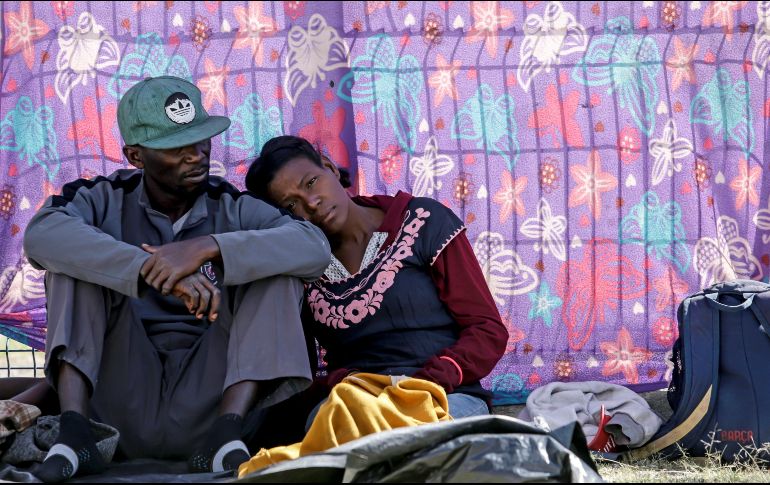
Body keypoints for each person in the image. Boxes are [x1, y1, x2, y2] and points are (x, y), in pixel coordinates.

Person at [22, 78, 331, 482]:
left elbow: (313, 247)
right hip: (121, 402)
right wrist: (146, 270)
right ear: (136, 155)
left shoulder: (233, 206)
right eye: (176, 147)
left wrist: (207, 247)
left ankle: (226, 435)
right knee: (71, 262)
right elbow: (41, 234)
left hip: (213, 404)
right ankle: (77, 432)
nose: (196, 155)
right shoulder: (101, 198)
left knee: (276, 268)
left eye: (201, 139)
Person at [244, 136, 508, 430]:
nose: (312, 203)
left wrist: (431, 380)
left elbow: (487, 330)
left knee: (411, 441)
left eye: (311, 182)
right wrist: (349, 385)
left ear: (330, 168)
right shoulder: (302, 268)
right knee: (326, 430)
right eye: (291, 204)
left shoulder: (422, 221)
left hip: (445, 395)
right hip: (356, 403)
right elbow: (299, 372)